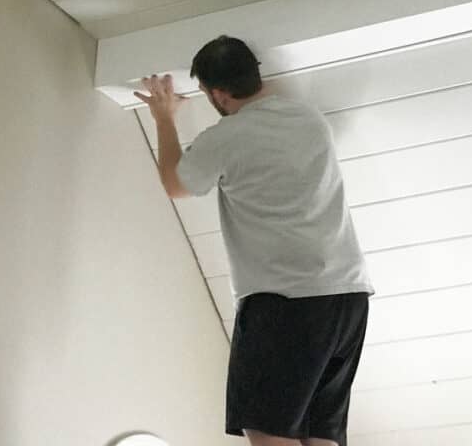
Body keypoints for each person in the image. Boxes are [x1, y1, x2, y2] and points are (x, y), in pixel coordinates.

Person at [134, 35, 374, 446]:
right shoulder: (309, 119)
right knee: (322, 432)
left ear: (219, 93)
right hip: (347, 298)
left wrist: (163, 118)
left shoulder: (227, 137)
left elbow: (176, 182)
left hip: (284, 302)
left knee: (268, 431)